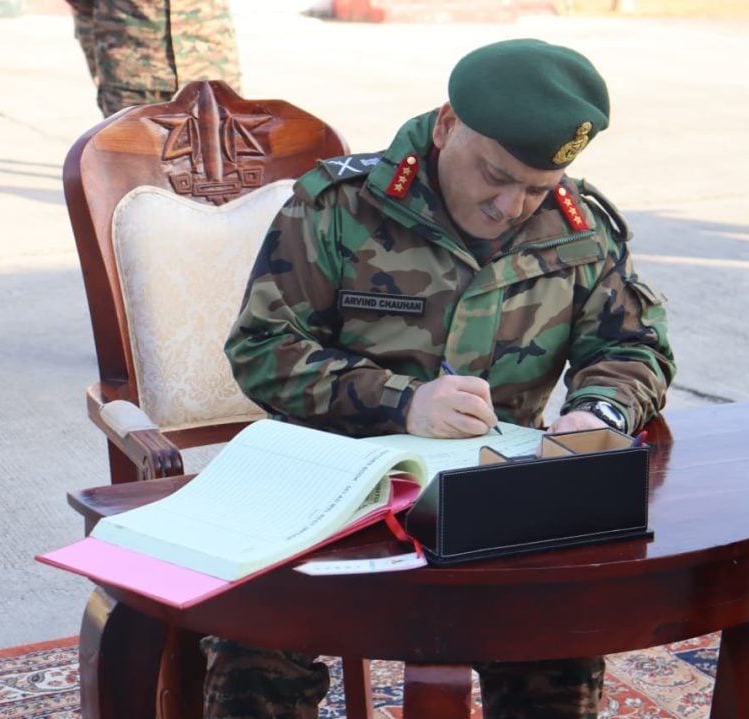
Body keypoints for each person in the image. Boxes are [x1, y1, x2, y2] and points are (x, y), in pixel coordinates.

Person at [218, 38, 676, 719]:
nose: (510, 205)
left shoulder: (578, 227)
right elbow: (262, 347)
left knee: (558, 647)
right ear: (445, 125)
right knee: (255, 645)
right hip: (339, 492)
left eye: (535, 186)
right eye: (494, 174)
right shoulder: (340, 207)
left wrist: (597, 413)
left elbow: (632, 345)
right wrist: (401, 401)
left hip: (496, 499)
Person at [66, 0, 242, 117]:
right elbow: (83, 6)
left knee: (225, 162)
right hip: (135, 76)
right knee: (134, 164)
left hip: (210, 66)